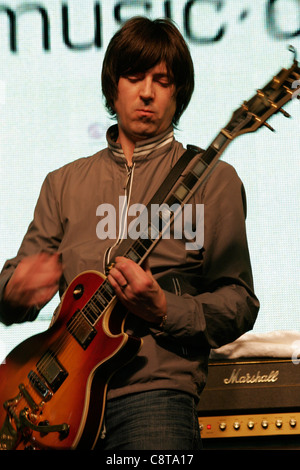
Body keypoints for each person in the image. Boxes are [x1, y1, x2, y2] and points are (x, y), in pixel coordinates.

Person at [0, 17, 259, 450]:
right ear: (112, 87)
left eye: (162, 80)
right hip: (52, 404)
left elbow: (238, 302)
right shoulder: (63, 183)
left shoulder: (214, 181)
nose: (146, 92)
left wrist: (163, 308)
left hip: (154, 395)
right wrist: (16, 290)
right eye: (134, 76)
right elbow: (9, 289)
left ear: (179, 94)